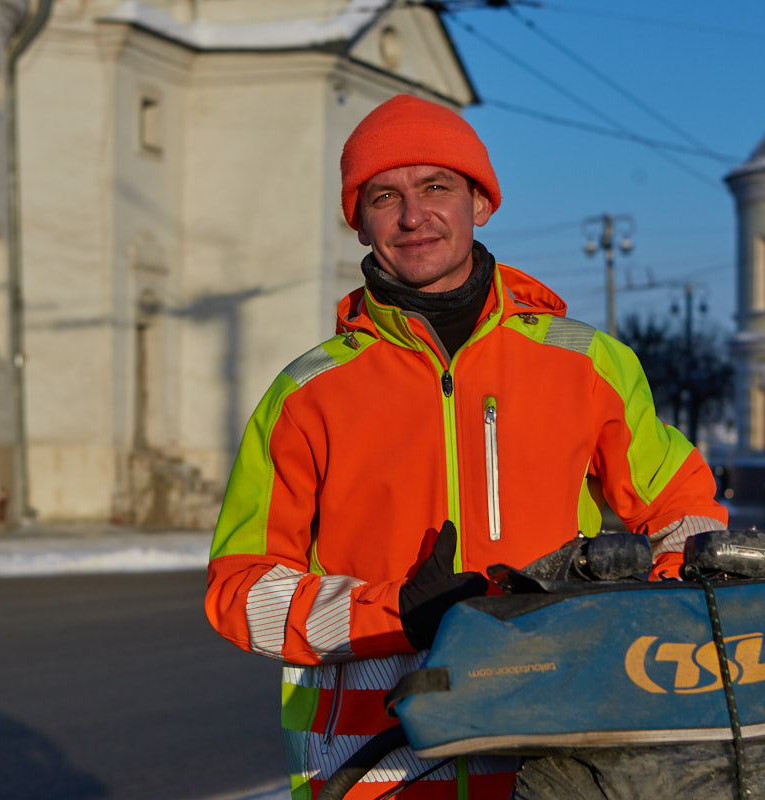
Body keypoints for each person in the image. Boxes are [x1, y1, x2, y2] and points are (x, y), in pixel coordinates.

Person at [204, 94, 728, 800]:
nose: (412, 216)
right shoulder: (306, 394)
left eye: (436, 187)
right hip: (373, 769)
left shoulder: (587, 365)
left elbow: (684, 512)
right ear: (359, 222)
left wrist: (645, 605)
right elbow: (241, 591)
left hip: (552, 757)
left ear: (479, 201)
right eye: (384, 197)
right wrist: (392, 614)